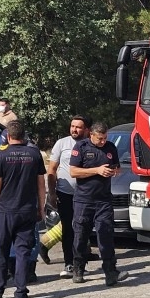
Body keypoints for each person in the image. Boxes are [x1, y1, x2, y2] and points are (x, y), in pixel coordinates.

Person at [0, 119, 46, 298]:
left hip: (5, 211)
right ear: (24, 135)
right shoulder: (34, 155)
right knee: (22, 253)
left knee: (1, 251)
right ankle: (21, 293)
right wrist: (41, 208)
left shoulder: (1, 156)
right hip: (27, 210)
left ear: (9, 136)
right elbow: (41, 184)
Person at [69, 121, 128, 288]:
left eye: (105, 138)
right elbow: (74, 171)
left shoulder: (110, 148)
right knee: (80, 235)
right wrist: (96, 170)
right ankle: (78, 268)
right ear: (91, 135)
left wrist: (115, 171)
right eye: (99, 139)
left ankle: (110, 272)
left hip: (103, 200)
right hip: (84, 200)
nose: (103, 142)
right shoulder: (81, 147)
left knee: (106, 235)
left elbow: (117, 168)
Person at [47, 114, 91, 278]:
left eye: (78, 127)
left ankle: (81, 262)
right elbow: (51, 169)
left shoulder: (90, 144)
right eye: (73, 126)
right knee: (68, 230)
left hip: (85, 195)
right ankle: (69, 263)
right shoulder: (62, 143)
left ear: (86, 130)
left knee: (83, 229)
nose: (74, 129)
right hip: (65, 194)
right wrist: (51, 193)